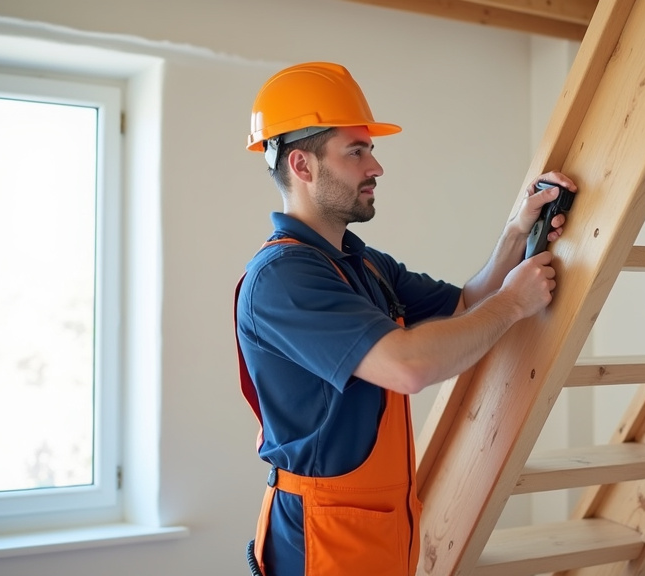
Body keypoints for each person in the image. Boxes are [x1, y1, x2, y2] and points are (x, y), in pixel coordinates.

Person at [233, 61, 577, 576]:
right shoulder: (284, 278)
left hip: (382, 529)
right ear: (303, 166)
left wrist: (515, 232)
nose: (376, 167)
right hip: (320, 542)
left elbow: (464, 305)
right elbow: (408, 366)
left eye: (371, 150)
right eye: (357, 150)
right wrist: (513, 303)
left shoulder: (361, 262)